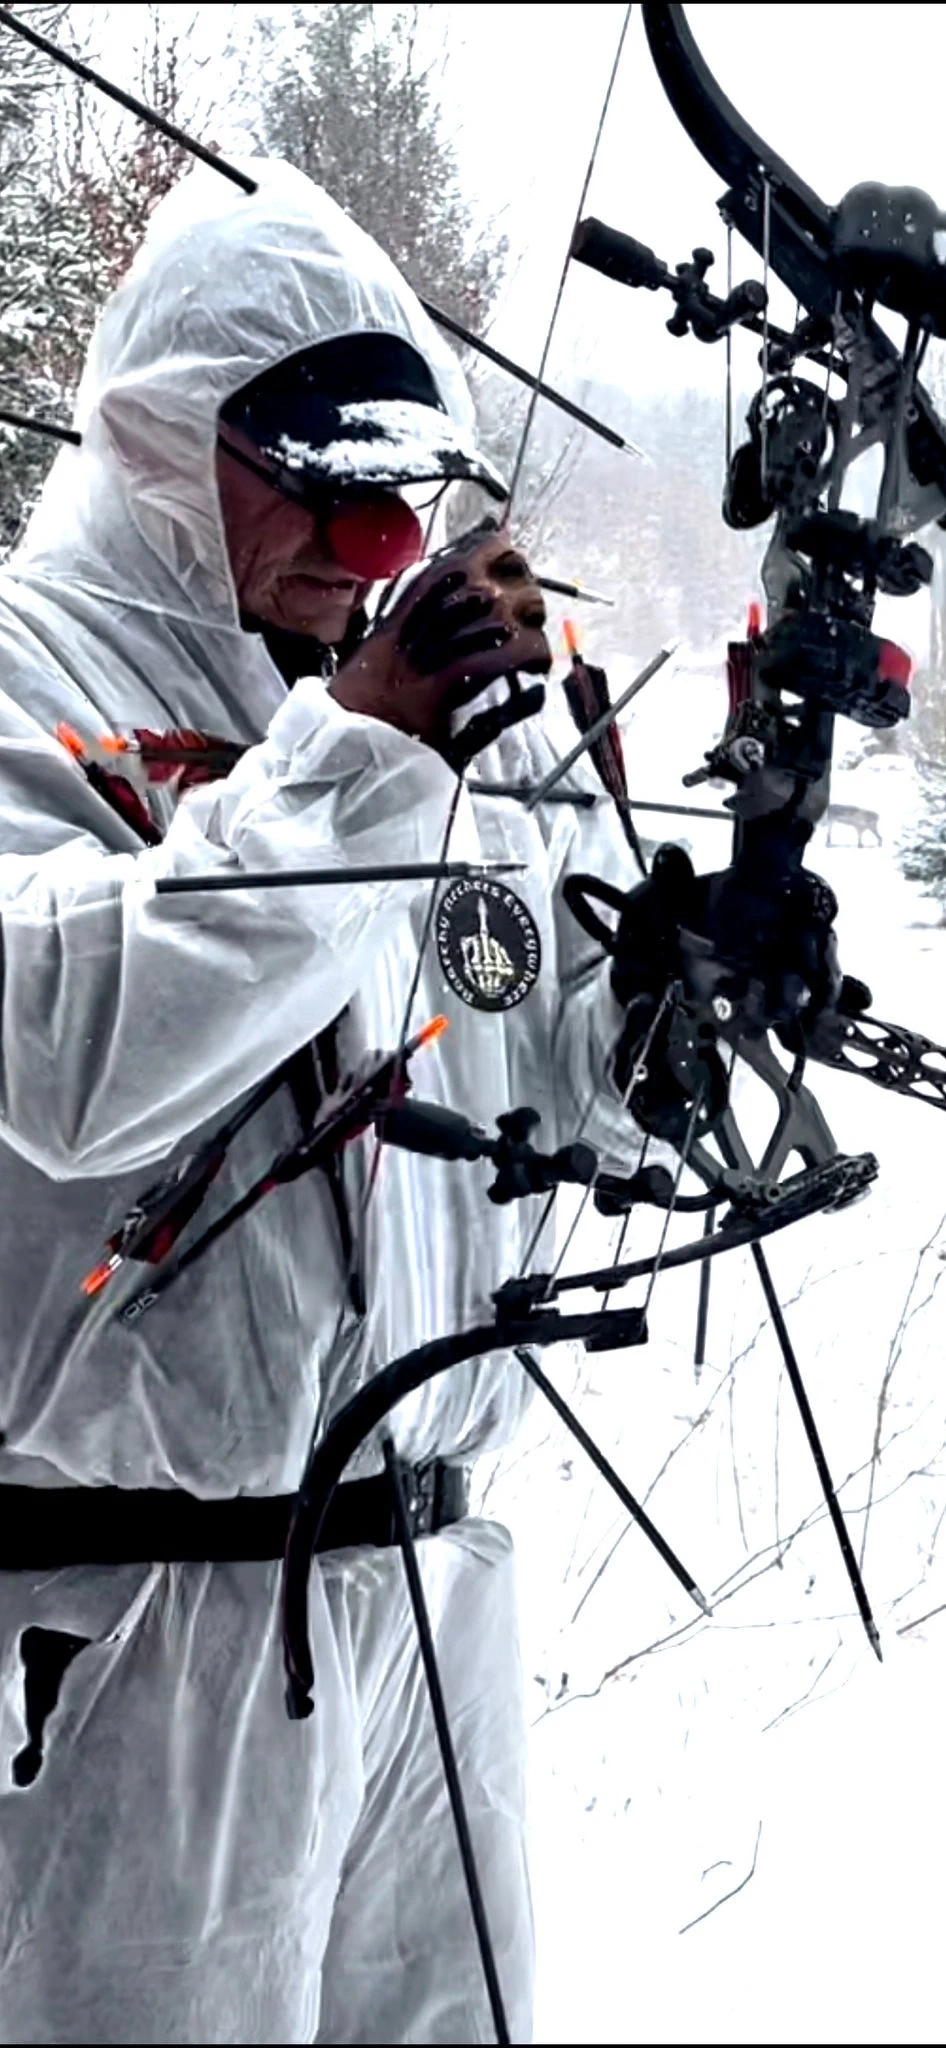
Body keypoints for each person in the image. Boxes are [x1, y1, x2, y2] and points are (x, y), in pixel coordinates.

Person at [0, 156, 649, 2047]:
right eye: (316, 480)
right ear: (158, 437)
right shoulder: (32, 678)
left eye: (399, 491)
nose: (370, 540)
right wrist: (354, 753)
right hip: (140, 1627)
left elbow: (539, 1080)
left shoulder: (428, 727)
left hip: (422, 1587)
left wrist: (659, 1006)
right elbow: (66, 1049)